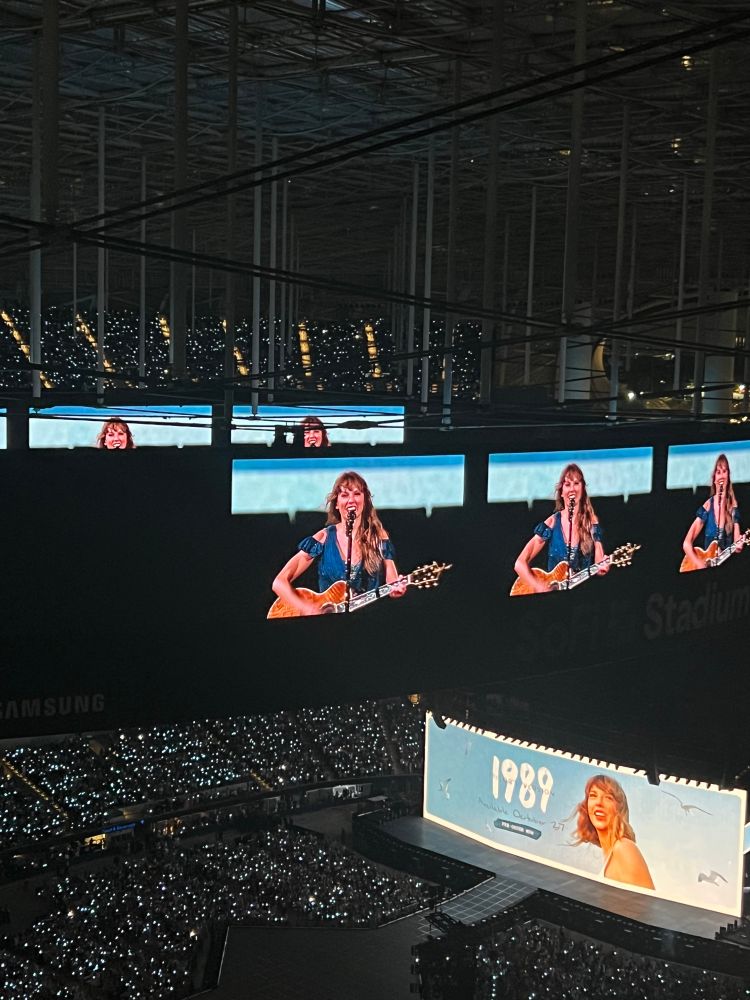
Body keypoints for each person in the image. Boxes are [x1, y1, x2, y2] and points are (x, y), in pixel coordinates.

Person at [271, 470, 405, 615]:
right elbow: (279, 582)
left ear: (365, 501)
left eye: (357, 494)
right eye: (345, 495)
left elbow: (392, 580)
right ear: (336, 503)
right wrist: (307, 609)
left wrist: (396, 587)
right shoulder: (324, 537)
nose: (351, 500)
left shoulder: (378, 536)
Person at [513, 463, 608, 593]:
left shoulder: (591, 521)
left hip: (583, 597)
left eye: (576, 483)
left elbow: (599, 562)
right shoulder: (552, 522)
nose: (572, 489)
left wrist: (603, 565)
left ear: (583, 489)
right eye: (567, 484)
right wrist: (538, 586)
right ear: (561, 492)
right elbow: (519, 564)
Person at [573, 774, 654, 890]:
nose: (599, 803)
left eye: (608, 797)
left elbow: (644, 904)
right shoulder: (611, 854)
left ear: (619, 808)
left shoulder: (624, 847)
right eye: (593, 795)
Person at [682, 453, 742, 571]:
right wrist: (699, 564)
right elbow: (686, 543)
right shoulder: (708, 506)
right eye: (718, 472)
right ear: (714, 478)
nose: (721, 476)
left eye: (724, 471)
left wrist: (740, 542)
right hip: (707, 571)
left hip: (726, 570)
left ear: (729, 476)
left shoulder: (733, 508)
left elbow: (738, 546)